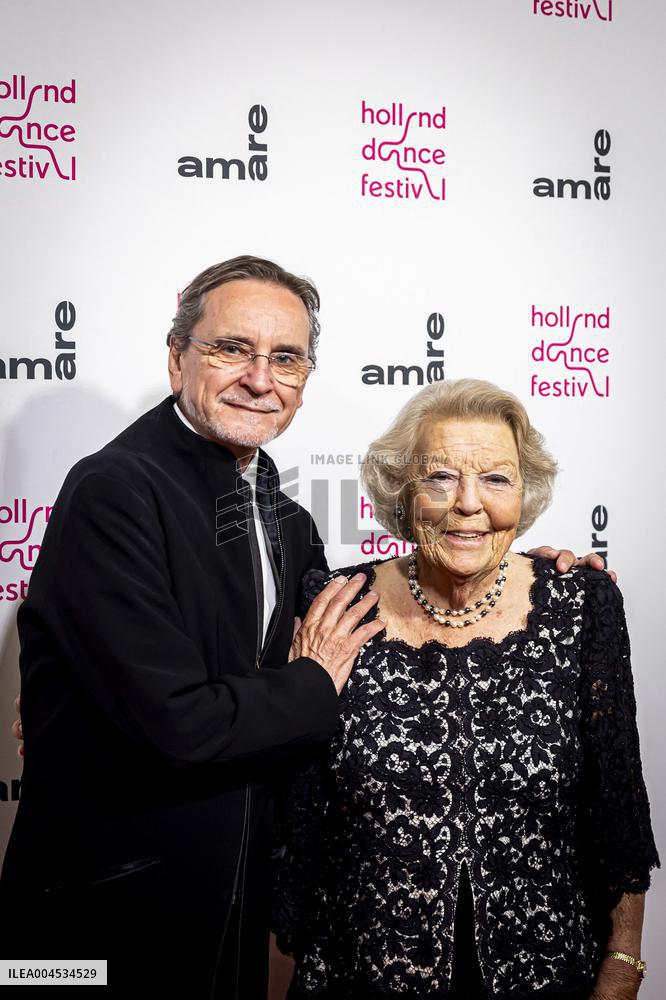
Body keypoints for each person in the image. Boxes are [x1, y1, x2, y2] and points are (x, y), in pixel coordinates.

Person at [3, 258, 610, 999]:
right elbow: (177, 723)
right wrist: (314, 682)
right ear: (176, 359)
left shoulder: (282, 515)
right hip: (103, 930)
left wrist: (522, 571)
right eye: (232, 349)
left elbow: (372, 601)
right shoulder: (115, 491)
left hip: (225, 921)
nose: (260, 378)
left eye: (285, 358)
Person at [273, 378, 659, 1000]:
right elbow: (295, 830)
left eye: (497, 480)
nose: (468, 504)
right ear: (403, 492)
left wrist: (622, 966)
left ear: (524, 493)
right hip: (361, 973)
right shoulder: (334, 605)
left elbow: (618, 810)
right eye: (440, 478)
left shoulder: (582, 607)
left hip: (548, 972)